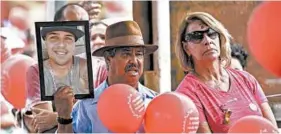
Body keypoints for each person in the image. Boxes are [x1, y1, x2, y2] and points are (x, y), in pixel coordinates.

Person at [175, 12, 278, 133]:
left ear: (220, 37)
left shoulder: (246, 79)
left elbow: (272, 129)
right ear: (186, 48)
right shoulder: (187, 93)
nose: (207, 40)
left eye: (212, 33)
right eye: (196, 36)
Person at [53, 20, 159, 133]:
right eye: (126, 54)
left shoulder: (154, 102)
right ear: (108, 59)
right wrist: (64, 118)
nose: (134, 61)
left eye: (139, 54)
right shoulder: (87, 105)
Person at [41, 26, 89, 96]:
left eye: (68, 38)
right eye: (54, 38)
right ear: (45, 42)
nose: (61, 45)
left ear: (74, 44)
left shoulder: (86, 67)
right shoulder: (36, 71)